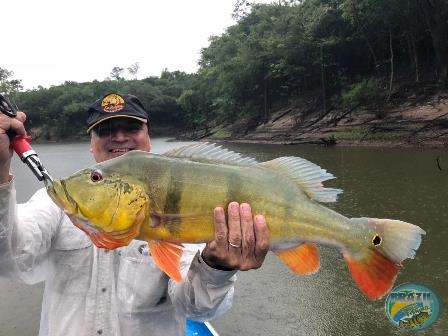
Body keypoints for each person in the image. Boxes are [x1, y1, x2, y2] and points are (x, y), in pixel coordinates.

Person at [0, 93, 270, 336]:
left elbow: (197, 309)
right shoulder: (57, 205)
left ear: (148, 139)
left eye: (131, 127)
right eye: (105, 130)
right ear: (91, 145)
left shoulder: (179, 199)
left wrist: (217, 267)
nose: (119, 137)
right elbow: (9, 259)